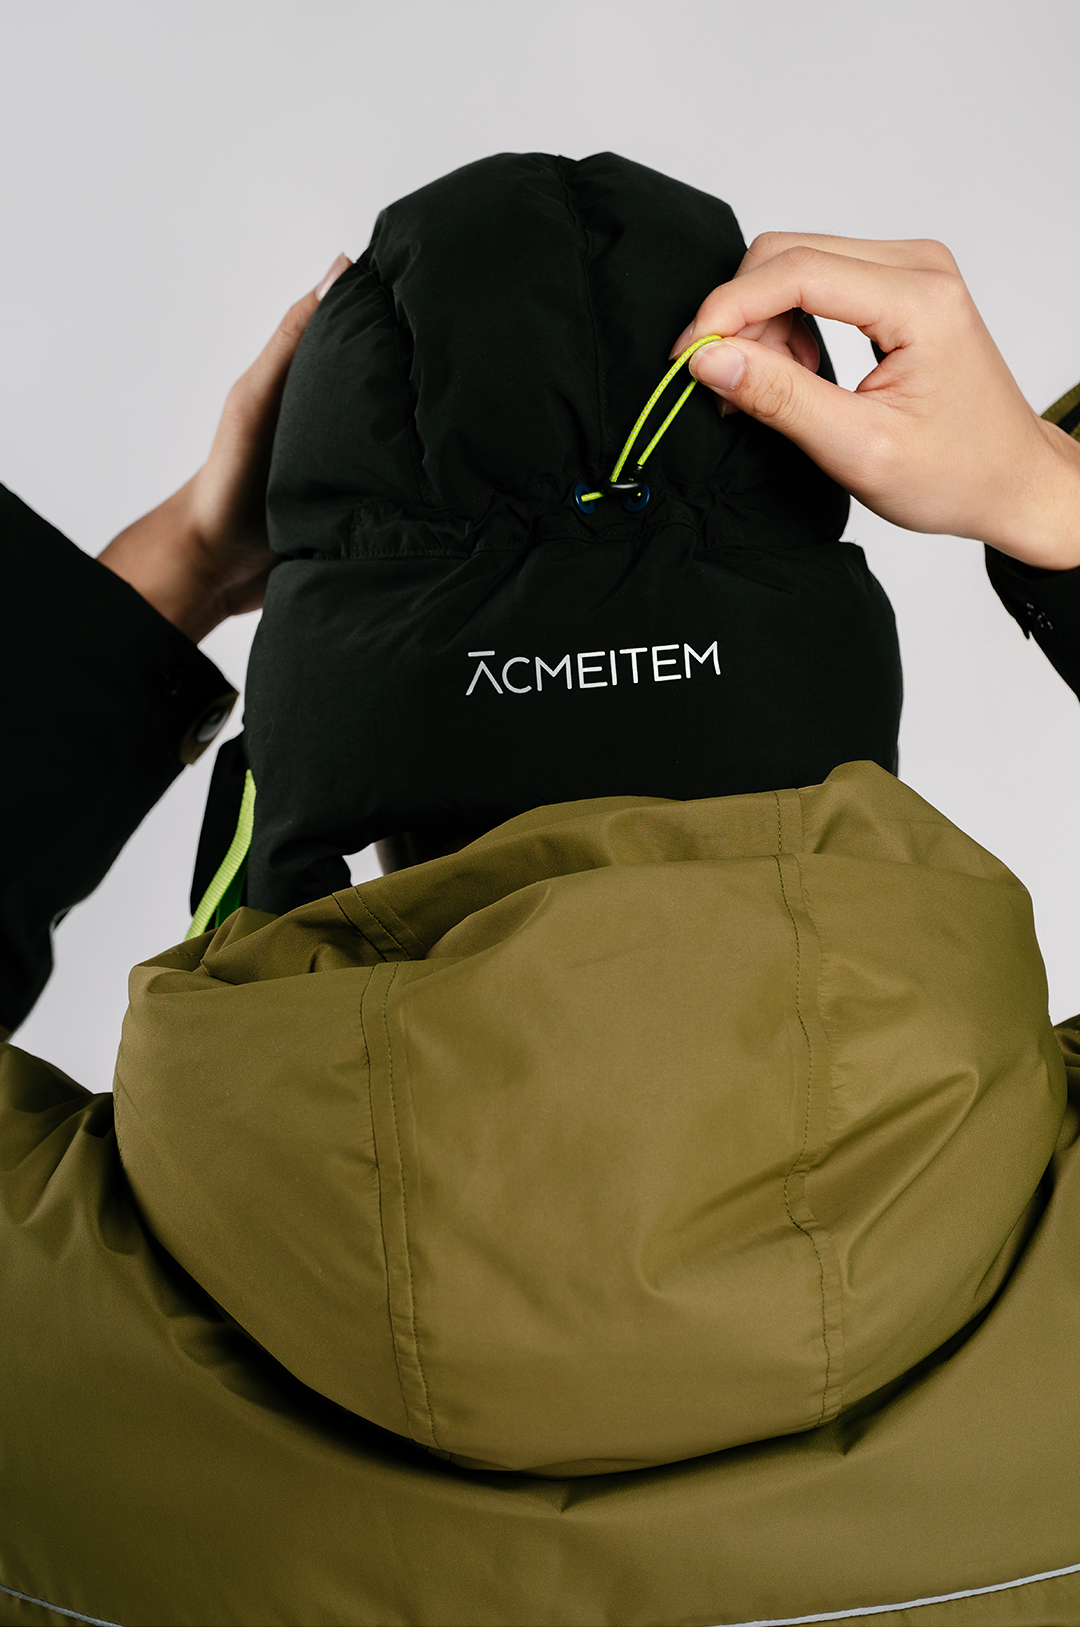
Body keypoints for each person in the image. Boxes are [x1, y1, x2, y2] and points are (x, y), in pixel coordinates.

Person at [2, 153, 1080, 1627]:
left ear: (312, 783)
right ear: (841, 735)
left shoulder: (39, 1359)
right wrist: (1048, 499)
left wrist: (180, 560)